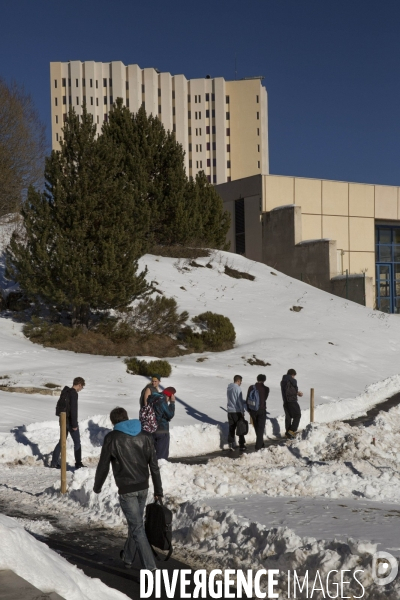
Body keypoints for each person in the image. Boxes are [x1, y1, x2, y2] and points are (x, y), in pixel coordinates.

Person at [93, 407, 162, 571]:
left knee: (137, 528)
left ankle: (151, 568)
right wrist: (158, 490)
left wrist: (97, 486)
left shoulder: (112, 438)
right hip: (143, 487)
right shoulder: (145, 435)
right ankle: (128, 557)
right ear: (126, 418)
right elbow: (154, 466)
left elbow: (103, 465)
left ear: (113, 422)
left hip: (127, 489)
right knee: (135, 524)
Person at [50, 377, 86, 469]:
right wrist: (74, 425)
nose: (81, 389)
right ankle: (78, 463)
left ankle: (54, 462)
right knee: (77, 442)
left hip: (62, 420)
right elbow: (74, 410)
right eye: (81, 387)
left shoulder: (66, 391)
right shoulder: (73, 394)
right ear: (79, 385)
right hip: (70, 422)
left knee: (61, 441)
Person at [148, 386, 176, 460]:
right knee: (161, 458)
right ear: (171, 395)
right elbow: (170, 414)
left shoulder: (152, 398)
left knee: (152, 456)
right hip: (162, 430)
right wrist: (172, 403)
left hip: (151, 429)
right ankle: (160, 470)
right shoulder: (162, 400)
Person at [246, 374, 269, 451]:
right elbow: (264, 398)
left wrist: (249, 409)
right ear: (264, 380)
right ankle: (258, 447)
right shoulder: (266, 389)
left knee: (256, 427)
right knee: (261, 428)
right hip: (261, 410)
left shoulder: (251, 387)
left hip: (253, 410)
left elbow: (247, 399)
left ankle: (261, 443)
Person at [280, 368, 303, 439]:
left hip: (285, 401)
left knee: (288, 417)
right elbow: (291, 391)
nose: (294, 377)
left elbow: (287, 391)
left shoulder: (283, 381)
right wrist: (297, 393)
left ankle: (288, 433)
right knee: (298, 415)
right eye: (294, 375)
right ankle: (292, 431)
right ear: (292, 374)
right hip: (292, 401)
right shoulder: (292, 380)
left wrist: (295, 392)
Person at [226, 375, 246, 450]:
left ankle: (231, 444)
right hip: (236, 411)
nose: (241, 383)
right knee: (240, 427)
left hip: (230, 410)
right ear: (238, 381)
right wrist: (242, 411)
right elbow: (239, 401)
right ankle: (242, 445)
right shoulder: (238, 388)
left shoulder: (229, 388)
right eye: (240, 381)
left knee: (231, 427)